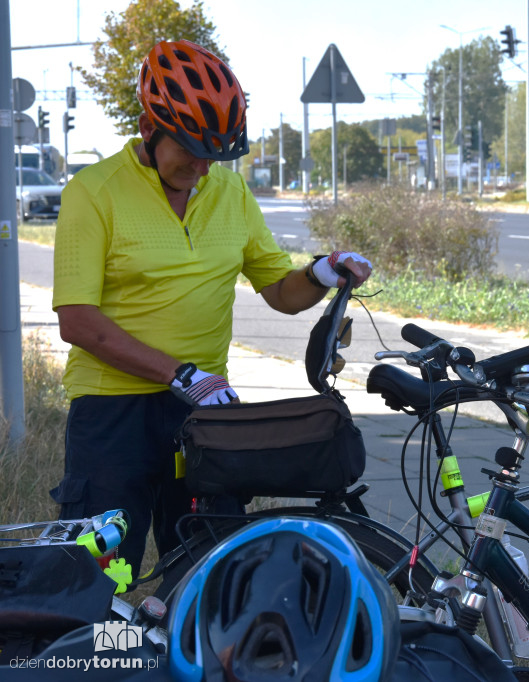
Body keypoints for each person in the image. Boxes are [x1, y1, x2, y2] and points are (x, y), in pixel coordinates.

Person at [49, 40, 373, 578]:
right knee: (96, 582)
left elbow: (280, 292)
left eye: (214, 153)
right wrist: (180, 373)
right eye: (190, 150)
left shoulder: (229, 191)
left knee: (213, 575)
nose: (200, 167)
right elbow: (77, 320)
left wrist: (320, 273)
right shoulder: (94, 192)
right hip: (112, 415)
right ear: (148, 126)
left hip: (202, 413)